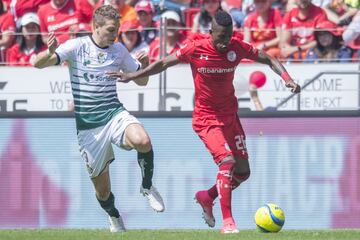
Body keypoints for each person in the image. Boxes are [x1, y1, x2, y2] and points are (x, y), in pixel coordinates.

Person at [108, 10, 300, 233]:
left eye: (227, 37)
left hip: (230, 117)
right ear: (211, 32)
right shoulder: (196, 48)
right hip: (206, 118)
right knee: (227, 162)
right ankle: (228, 222)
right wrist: (132, 76)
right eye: (220, 37)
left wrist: (287, 79)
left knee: (243, 172)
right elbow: (164, 63)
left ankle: (207, 197)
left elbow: (268, 58)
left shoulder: (236, 47)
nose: (224, 42)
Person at [33, 5, 164, 232]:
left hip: (114, 113)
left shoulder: (119, 50)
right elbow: (37, 63)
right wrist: (49, 51)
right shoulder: (77, 46)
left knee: (142, 140)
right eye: (111, 30)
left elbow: (142, 81)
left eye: (117, 30)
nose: (115, 35)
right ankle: (113, 215)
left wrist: (143, 66)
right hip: (89, 129)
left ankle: (147, 186)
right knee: (102, 190)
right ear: (96, 26)